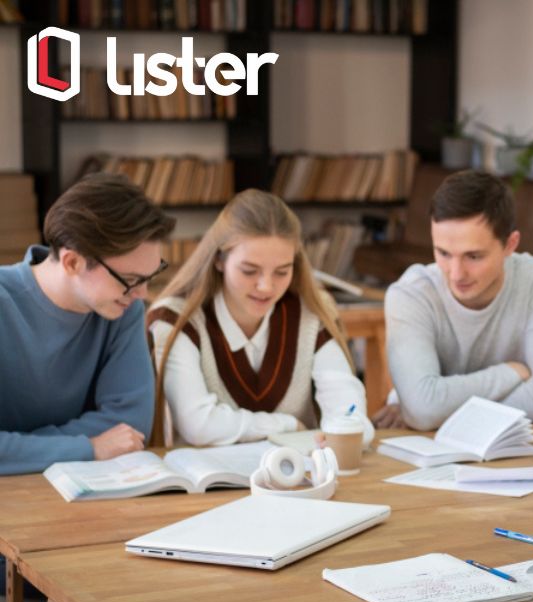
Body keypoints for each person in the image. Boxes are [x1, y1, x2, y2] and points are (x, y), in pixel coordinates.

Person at [148, 189, 374, 448]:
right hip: (209, 485)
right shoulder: (176, 318)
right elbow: (199, 425)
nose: (266, 287)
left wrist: (349, 426)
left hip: (300, 482)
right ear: (219, 260)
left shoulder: (312, 312)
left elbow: (349, 413)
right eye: (249, 270)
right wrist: (288, 425)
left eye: (282, 271)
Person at [0, 173, 173, 475]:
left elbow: (130, 425)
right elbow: (109, 442)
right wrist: (90, 447)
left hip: (86, 490)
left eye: (149, 277)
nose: (143, 294)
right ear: (72, 262)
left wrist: (18, 449)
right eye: (131, 280)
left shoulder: (123, 308)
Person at [373, 170, 533, 430]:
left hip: (512, 449)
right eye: (443, 253)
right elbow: (423, 409)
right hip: (423, 447)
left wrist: (438, 409)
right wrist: (510, 373)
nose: (456, 274)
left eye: (474, 256)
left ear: (510, 245)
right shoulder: (411, 293)